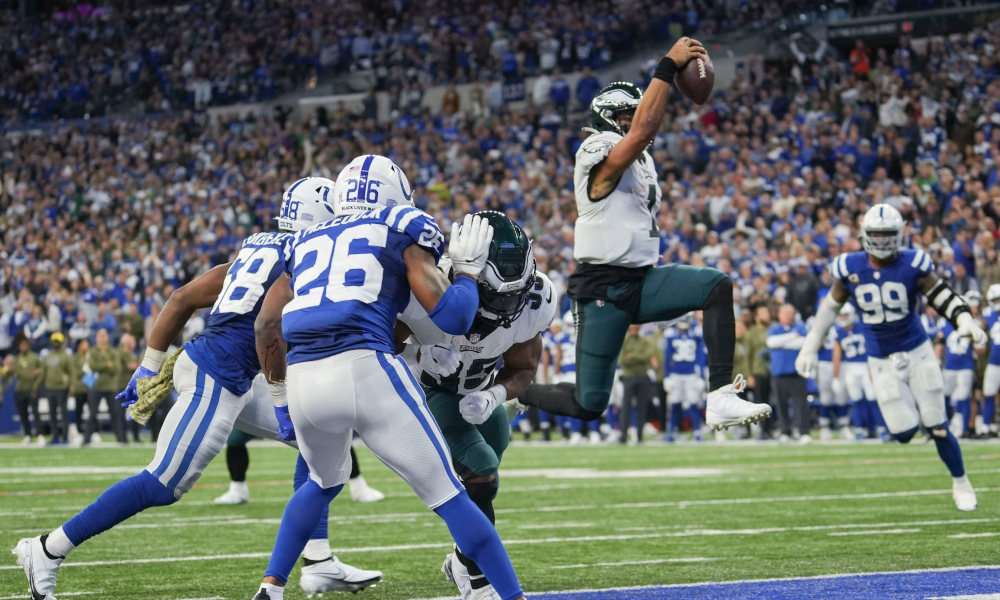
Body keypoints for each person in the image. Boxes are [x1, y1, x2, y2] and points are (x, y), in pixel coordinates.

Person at [13, 178, 382, 600]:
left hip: (231, 371)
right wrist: (281, 399)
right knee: (163, 483)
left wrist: (148, 366)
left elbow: (181, 297)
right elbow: (269, 329)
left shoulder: (255, 250)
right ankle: (47, 549)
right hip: (218, 373)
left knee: (319, 440)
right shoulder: (300, 257)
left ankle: (317, 562)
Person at [250, 155, 526, 600]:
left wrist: (280, 397)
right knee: (451, 495)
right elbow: (455, 316)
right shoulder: (402, 225)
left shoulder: (303, 240)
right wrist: (470, 274)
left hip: (302, 377)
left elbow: (265, 326)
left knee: (321, 483)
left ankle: (272, 586)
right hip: (363, 366)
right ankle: (511, 596)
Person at [518, 37, 769, 431]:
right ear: (606, 117)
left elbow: (631, 214)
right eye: (626, 116)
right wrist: (667, 67)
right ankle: (516, 393)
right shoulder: (596, 146)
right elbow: (640, 131)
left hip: (642, 277)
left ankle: (720, 395)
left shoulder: (644, 160)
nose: (635, 122)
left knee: (716, 286)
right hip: (602, 287)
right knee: (590, 403)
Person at [395, 211, 556, 599]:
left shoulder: (533, 300)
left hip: (478, 393)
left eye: (514, 293)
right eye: (495, 292)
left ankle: (462, 557)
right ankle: (478, 581)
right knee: (480, 472)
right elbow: (380, 344)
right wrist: (420, 353)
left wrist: (495, 394)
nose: (506, 304)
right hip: (428, 391)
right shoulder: (429, 283)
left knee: (483, 479)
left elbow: (523, 366)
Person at [795, 204, 985, 511]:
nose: (883, 241)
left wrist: (964, 320)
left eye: (888, 235)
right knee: (903, 432)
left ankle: (961, 482)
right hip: (880, 359)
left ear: (900, 235)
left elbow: (943, 297)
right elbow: (829, 309)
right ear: (864, 235)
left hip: (918, 350)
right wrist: (810, 345)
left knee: (937, 423)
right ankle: (920, 421)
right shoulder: (850, 268)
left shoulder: (913, 263)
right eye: (877, 235)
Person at [213, 432, 385, 505]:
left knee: (330, 434)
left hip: (290, 386)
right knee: (235, 438)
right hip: (260, 388)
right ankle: (237, 490)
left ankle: (359, 487)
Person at [831, 304, 887, 441]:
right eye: (841, 315)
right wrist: (835, 377)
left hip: (866, 365)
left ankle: (881, 428)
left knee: (873, 398)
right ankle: (859, 429)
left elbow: (873, 347)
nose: (842, 318)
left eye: (845, 315)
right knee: (856, 399)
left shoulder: (862, 327)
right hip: (850, 367)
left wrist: (873, 367)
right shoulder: (839, 331)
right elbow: (837, 354)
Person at [939, 292, 982, 438]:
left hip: (965, 365)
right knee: (945, 396)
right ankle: (945, 425)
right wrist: (938, 360)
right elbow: (940, 343)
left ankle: (964, 428)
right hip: (949, 366)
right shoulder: (944, 323)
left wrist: (976, 340)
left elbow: (979, 348)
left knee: (964, 396)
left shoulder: (973, 323)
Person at [767, 305, 811, 443]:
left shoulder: (800, 327)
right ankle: (785, 431)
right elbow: (772, 343)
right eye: (785, 313)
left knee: (800, 404)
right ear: (779, 315)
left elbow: (804, 343)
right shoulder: (774, 328)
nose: (788, 316)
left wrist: (783, 342)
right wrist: (792, 337)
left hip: (796, 372)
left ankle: (803, 431)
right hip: (779, 373)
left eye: (790, 313)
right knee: (781, 404)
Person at [663, 316, 707, 442]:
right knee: (674, 404)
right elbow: (667, 357)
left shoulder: (696, 334)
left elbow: (700, 355)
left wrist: (701, 375)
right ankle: (671, 431)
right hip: (676, 374)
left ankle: (697, 431)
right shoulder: (671, 335)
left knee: (694, 403)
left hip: (691, 374)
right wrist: (667, 376)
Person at [84, 328, 124, 444]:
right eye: (100, 335)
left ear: (108, 337)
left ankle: (121, 439)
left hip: (111, 387)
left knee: (115, 414)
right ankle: (86, 439)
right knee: (92, 414)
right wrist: (107, 364)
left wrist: (102, 366)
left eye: (104, 335)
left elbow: (116, 367)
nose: (102, 338)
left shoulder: (113, 351)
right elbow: (92, 366)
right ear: (96, 338)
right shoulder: (93, 351)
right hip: (96, 386)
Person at [744, 304, 774, 439]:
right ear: (757, 318)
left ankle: (771, 429)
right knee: (760, 402)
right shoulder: (751, 333)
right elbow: (747, 356)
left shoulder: (773, 329)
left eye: (767, 313)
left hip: (773, 371)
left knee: (773, 402)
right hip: (758, 371)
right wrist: (749, 375)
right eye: (764, 313)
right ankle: (762, 430)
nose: (767, 315)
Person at [40, 332, 74, 444]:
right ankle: (54, 436)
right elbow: (43, 373)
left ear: (62, 342)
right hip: (50, 387)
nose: (56, 343)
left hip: (62, 388)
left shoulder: (66, 356)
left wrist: (72, 387)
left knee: (63, 413)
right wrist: (36, 387)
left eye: (58, 341)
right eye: (54, 341)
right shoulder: (48, 356)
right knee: (52, 414)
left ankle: (65, 437)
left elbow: (71, 373)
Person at [11, 336, 42, 444]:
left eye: (25, 345)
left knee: (35, 413)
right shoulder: (16, 359)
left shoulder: (34, 357)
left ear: (28, 346)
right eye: (21, 345)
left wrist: (38, 371)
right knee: (23, 414)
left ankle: (39, 434)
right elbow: (12, 372)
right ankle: (28, 434)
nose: (23, 347)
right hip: (20, 389)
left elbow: (42, 369)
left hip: (32, 389)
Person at [981, 284, 1000, 438]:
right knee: (988, 393)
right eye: (995, 299)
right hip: (994, 361)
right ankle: (987, 426)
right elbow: (980, 325)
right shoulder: (987, 314)